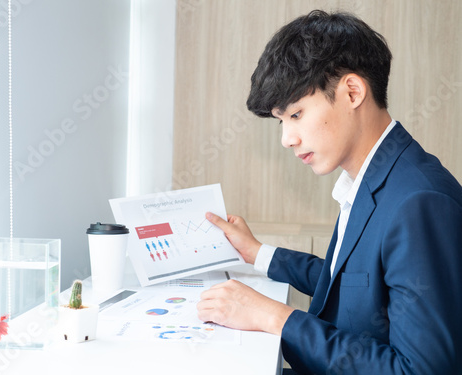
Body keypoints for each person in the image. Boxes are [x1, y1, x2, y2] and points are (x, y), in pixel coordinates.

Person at [196, 10, 462, 374]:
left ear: (352, 92)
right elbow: (351, 281)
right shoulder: (376, 177)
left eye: (296, 114)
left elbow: (419, 371)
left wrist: (276, 317)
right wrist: (258, 253)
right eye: (281, 120)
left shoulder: (419, 202)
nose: (287, 139)